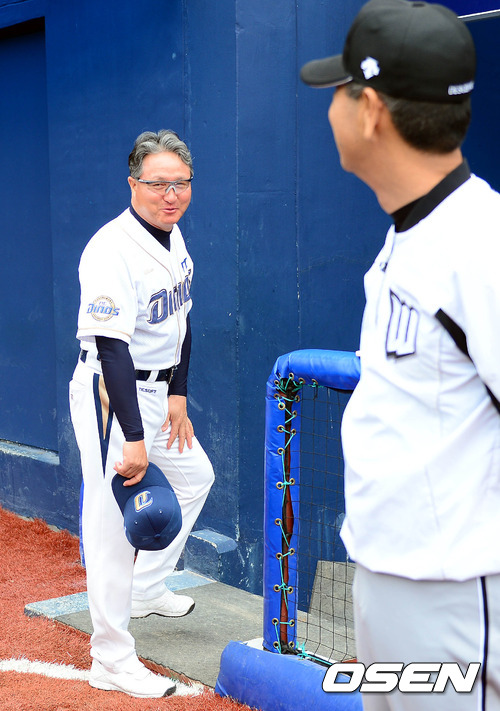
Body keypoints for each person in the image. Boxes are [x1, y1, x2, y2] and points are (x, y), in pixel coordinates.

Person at [301, 1, 500, 708]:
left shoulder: (480, 244)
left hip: (457, 594)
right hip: (391, 577)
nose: (329, 105)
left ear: (372, 110)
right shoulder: (414, 230)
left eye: (340, 89)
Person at [69, 130, 215, 698]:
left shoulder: (173, 239)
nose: (170, 194)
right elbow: (112, 350)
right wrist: (133, 436)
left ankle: (146, 588)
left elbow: (182, 321)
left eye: (180, 183)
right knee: (111, 527)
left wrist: (178, 393)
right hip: (113, 394)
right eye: (157, 184)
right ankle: (109, 656)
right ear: (133, 184)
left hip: (156, 390)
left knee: (195, 477)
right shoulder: (111, 249)